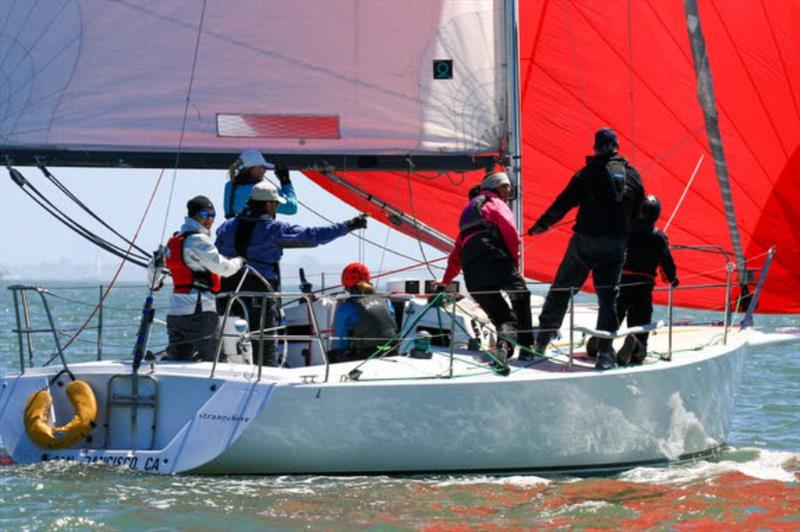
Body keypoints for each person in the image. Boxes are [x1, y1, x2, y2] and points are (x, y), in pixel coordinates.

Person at [527, 128, 644, 370]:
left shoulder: (586, 174)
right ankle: (604, 353)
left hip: (585, 242)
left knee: (561, 290)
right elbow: (639, 213)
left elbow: (563, 203)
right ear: (617, 146)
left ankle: (541, 343)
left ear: (595, 148)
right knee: (608, 298)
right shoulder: (633, 176)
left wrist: (541, 226)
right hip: (615, 246)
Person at [215, 181, 368, 366]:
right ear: (269, 204)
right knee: (265, 341)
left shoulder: (226, 226)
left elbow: (217, 254)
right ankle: (266, 370)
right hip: (259, 292)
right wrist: (349, 225)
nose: (276, 208)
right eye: (276, 204)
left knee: (228, 337)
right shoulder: (273, 229)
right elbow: (312, 236)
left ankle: (223, 367)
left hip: (226, 291)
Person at [439, 170, 533, 370]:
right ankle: (527, 347)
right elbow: (511, 235)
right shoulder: (496, 203)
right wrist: (513, 267)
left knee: (503, 317)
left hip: (473, 273)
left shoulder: (468, 212)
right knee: (521, 295)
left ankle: (504, 348)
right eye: (506, 187)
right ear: (496, 187)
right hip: (495, 259)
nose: (508, 191)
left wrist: (446, 281)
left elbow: (457, 253)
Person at [164, 196, 244, 361]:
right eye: (205, 214)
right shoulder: (198, 240)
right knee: (215, 361)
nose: (210, 219)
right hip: (199, 311)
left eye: (213, 215)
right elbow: (224, 268)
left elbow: (155, 268)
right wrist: (239, 261)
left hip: (175, 312)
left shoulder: (174, 240)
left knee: (179, 361)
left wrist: (156, 283)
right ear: (193, 215)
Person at [614, 194, 678, 365]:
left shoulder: (628, 231)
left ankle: (601, 342)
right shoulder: (658, 237)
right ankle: (636, 345)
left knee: (615, 315)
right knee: (641, 321)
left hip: (623, 281)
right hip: (643, 286)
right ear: (656, 215)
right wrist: (673, 279)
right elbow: (667, 262)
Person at [329, 262, 399, 363]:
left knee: (332, 355)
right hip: (392, 352)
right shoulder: (386, 301)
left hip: (365, 355)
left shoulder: (348, 307)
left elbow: (341, 339)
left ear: (347, 285)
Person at [223, 148, 298, 219]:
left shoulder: (230, 186)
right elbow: (292, 207)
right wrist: (285, 181)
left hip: (237, 231)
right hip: (260, 231)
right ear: (252, 168)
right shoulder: (263, 189)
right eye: (262, 167)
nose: (265, 171)